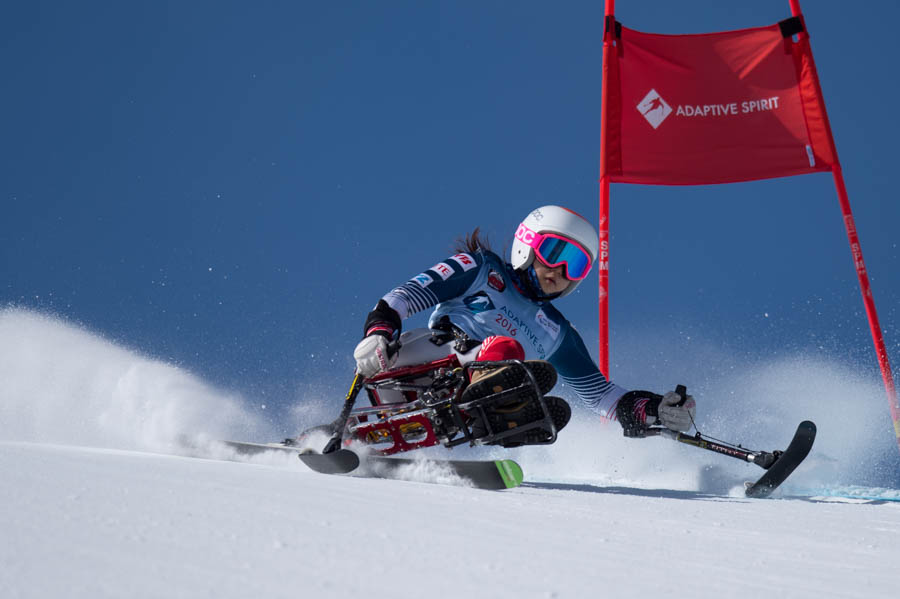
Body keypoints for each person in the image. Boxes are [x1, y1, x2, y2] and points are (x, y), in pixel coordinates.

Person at [352, 205, 696, 445]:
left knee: (545, 404)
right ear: (527, 243)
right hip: (424, 361)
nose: (560, 271)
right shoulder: (482, 270)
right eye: (554, 251)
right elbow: (405, 296)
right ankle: (477, 396)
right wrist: (379, 334)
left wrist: (654, 409)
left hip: (469, 399)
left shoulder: (556, 332)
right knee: (507, 351)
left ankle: (484, 421)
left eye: (575, 265)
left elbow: (602, 396)